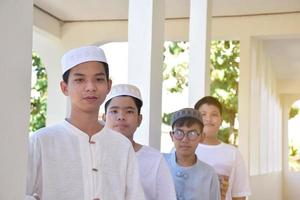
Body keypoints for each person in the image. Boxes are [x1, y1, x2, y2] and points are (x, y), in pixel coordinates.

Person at [26, 46, 145, 200]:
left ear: (108, 85)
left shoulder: (121, 146)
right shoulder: (42, 141)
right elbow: (17, 193)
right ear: (64, 87)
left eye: (98, 79)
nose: (90, 87)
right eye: (80, 80)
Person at [103, 84, 177, 200]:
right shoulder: (93, 154)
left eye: (129, 111)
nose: (121, 117)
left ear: (139, 119)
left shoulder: (155, 160)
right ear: (104, 118)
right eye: (114, 111)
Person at [194, 96, 251, 200]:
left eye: (214, 115)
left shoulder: (233, 153)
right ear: (195, 119)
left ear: (221, 120)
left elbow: (239, 195)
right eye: (203, 114)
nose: (208, 119)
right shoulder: (183, 148)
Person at [164, 108, 220, 200]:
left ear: (202, 137)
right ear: (172, 136)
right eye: (179, 132)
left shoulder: (209, 174)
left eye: (192, 133)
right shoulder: (160, 164)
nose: (185, 139)